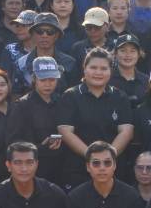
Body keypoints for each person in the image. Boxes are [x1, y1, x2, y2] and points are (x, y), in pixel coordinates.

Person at [56, 48, 136, 187]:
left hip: (112, 170)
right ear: (84, 69)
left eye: (104, 68)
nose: (98, 72)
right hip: (78, 170)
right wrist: (91, 157)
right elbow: (65, 131)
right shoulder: (70, 96)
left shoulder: (120, 97)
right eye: (93, 67)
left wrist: (107, 158)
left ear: (111, 71)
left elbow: (126, 131)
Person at [8, 56, 66, 184]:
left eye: (52, 79)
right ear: (34, 79)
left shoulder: (62, 102)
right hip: (33, 171)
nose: (48, 84)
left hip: (62, 168)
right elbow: (13, 143)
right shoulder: (21, 106)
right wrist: (39, 147)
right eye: (43, 79)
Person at [109, 35, 149, 106]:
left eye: (132, 51)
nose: (128, 55)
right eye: (123, 50)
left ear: (139, 54)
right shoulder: (107, 78)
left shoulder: (146, 81)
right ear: (115, 53)